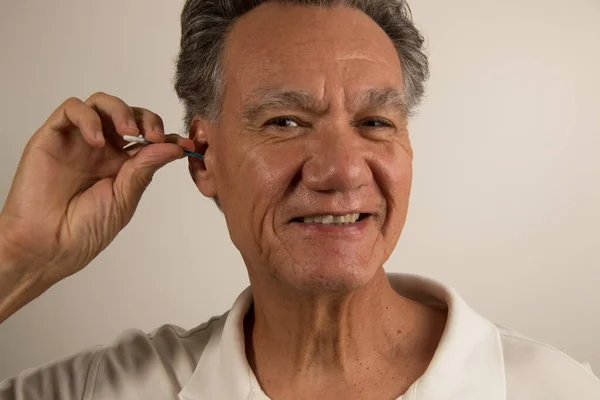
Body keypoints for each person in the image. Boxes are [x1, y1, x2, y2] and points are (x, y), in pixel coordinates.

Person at [0, 0, 598, 399]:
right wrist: (20, 257)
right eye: (285, 122)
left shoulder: (558, 390)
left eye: (374, 122)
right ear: (203, 159)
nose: (340, 171)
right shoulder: (103, 390)